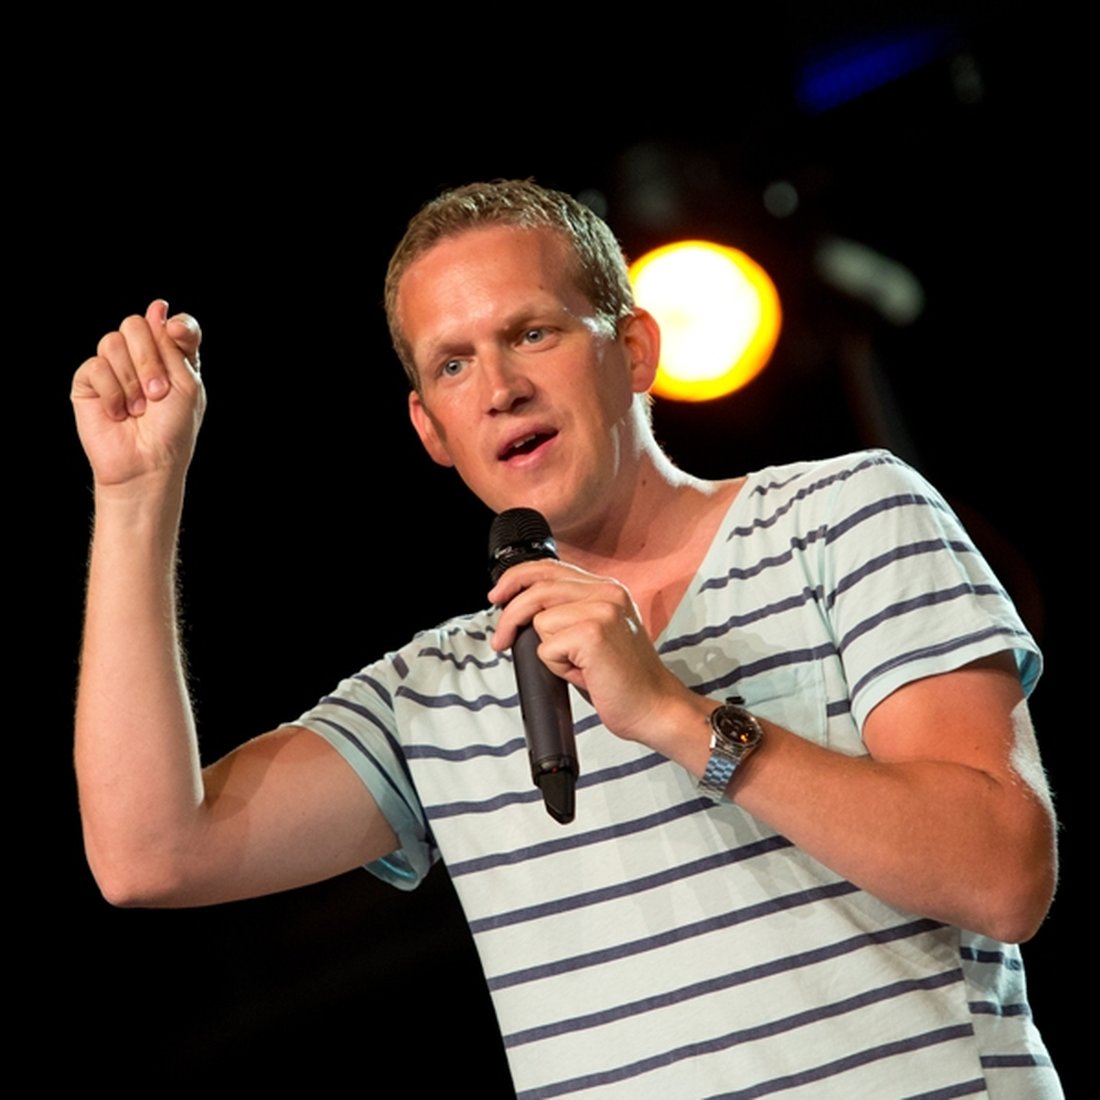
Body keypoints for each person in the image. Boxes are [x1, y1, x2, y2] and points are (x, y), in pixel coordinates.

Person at [71, 180, 1061, 1096]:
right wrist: (134, 492)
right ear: (430, 428)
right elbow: (149, 854)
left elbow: (1001, 874)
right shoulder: (433, 689)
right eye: (453, 363)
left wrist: (676, 715)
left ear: (634, 350)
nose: (498, 387)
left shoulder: (843, 514)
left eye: (532, 332)